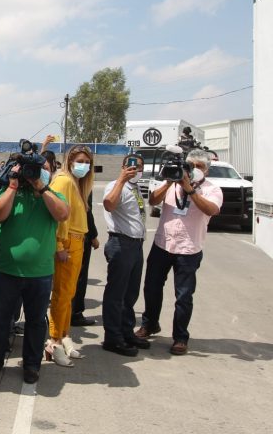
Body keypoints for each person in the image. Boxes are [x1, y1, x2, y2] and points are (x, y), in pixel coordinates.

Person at [0, 156, 68, 383]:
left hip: (39, 272)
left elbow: (62, 214)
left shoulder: (52, 195)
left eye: (42, 170)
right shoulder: (10, 190)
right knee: (0, 319)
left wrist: (41, 186)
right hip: (6, 269)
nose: (35, 174)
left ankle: (32, 364)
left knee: (36, 321)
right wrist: (12, 184)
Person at [136, 149, 222, 355]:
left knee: (183, 295)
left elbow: (211, 210)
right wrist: (168, 181)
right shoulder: (171, 183)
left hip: (189, 249)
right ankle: (150, 324)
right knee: (152, 287)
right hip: (163, 244)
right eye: (190, 165)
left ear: (206, 171)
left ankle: (180, 337)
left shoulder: (212, 189)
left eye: (199, 167)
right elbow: (153, 201)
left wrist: (190, 190)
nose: (193, 170)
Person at [46, 145, 94, 366]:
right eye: (80, 160)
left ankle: (63, 335)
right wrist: (59, 245)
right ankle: (53, 341)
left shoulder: (76, 182)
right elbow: (57, 215)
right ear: (70, 160)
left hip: (77, 242)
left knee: (69, 294)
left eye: (87, 162)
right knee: (61, 295)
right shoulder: (64, 180)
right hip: (67, 242)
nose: (84, 165)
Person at [101, 155, 150, 356]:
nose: (135, 170)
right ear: (123, 167)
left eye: (139, 167)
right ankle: (112, 338)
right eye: (131, 166)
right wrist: (121, 180)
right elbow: (109, 205)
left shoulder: (136, 187)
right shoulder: (115, 185)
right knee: (116, 295)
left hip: (136, 246)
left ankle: (126, 331)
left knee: (130, 294)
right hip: (121, 244)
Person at [70, 192, 99, 327]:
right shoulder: (78, 184)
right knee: (78, 277)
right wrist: (93, 235)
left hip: (76, 236)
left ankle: (72, 312)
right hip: (78, 237)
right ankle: (75, 313)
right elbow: (86, 212)